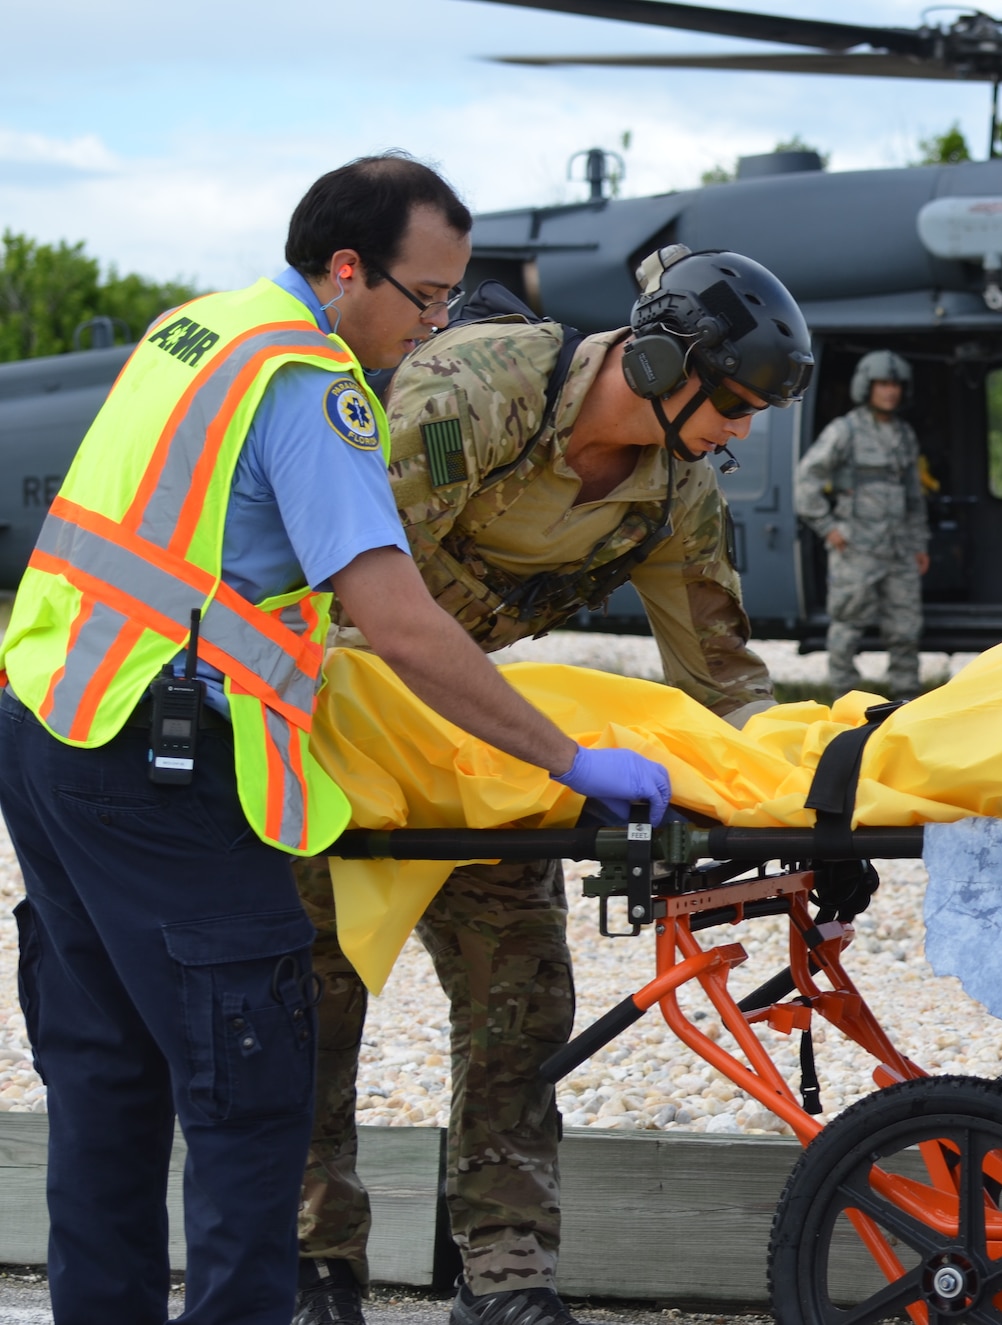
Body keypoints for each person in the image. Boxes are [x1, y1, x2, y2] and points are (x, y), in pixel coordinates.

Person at [0, 154, 673, 1325]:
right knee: (253, 1092)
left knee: (107, 1081)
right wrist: (569, 759)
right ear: (346, 268)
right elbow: (399, 618)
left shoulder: (197, 330)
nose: (437, 327)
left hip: (50, 719)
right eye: (424, 298)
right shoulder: (312, 385)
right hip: (159, 767)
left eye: (456, 301)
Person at [292, 245, 811, 1325]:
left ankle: (506, 1274)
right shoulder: (473, 394)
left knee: (520, 999)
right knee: (309, 1001)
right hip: (329, 721)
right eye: (734, 402)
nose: (742, 431)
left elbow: (721, 681)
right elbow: (354, 595)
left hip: (480, 743)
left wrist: (801, 788)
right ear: (667, 363)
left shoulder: (676, 493)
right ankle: (310, 1262)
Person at [795, 349, 930, 697]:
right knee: (846, 628)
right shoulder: (845, 431)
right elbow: (806, 480)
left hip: (899, 550)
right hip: (856, 550)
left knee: (905, 630)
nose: (891, 391)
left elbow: (914, 496)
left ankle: (907, 703)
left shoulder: (904, 435)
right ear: (866, 387)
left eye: (896, 384)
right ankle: (844, 705)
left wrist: (919, 544)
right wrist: (828, 527)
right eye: (883, 384)